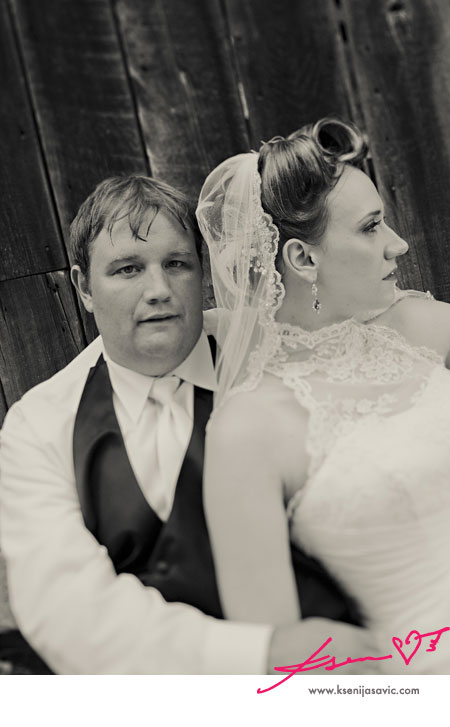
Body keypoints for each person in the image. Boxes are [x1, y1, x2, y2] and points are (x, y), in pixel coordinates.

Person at [0, 174, 374, 675]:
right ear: (84, 287)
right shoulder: (39, 425)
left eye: (176, 264)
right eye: (128, 269)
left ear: (202, 272)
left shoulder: (275, 349)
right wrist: (261, 656)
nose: (159, 290)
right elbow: (68, 610)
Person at [196, 118, 450, 674]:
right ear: (303, 260)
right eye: (371, 228)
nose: (399, 244)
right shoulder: (247, 432)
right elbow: (278, 656)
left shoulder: (420, 328)